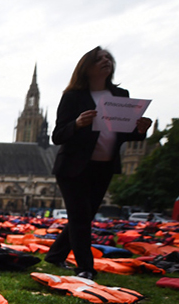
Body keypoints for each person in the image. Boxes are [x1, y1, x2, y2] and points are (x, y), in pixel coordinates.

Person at [44, 47, 152, 280]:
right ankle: (85, 267)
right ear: (87, 66)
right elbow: (58, 135)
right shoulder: (73, 96)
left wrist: (140, 131)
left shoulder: (121, 95)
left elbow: (124, 134)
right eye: (99, 58)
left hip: (103, 166)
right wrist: (78, 123)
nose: (106, 61)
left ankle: (55, 255)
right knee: (81, 216)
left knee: (83, 216)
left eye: (108, 58)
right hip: (73, 166)